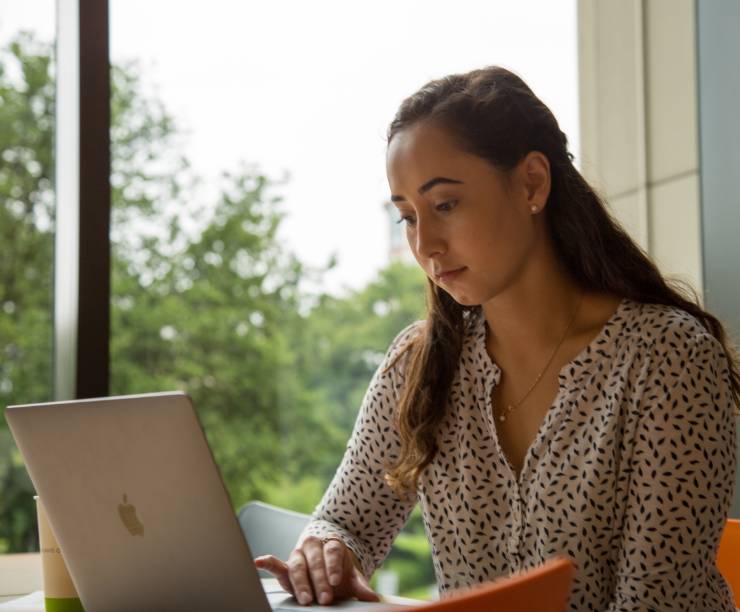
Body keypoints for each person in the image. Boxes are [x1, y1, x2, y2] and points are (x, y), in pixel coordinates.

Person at [255, 66, 739, 610]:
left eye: (445, 205)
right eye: (407, 218)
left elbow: (654, 607)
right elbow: (343, 519)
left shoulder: (667, 358)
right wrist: (326, 550)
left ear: (533, 182)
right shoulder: (419, 363)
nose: (426, 243)